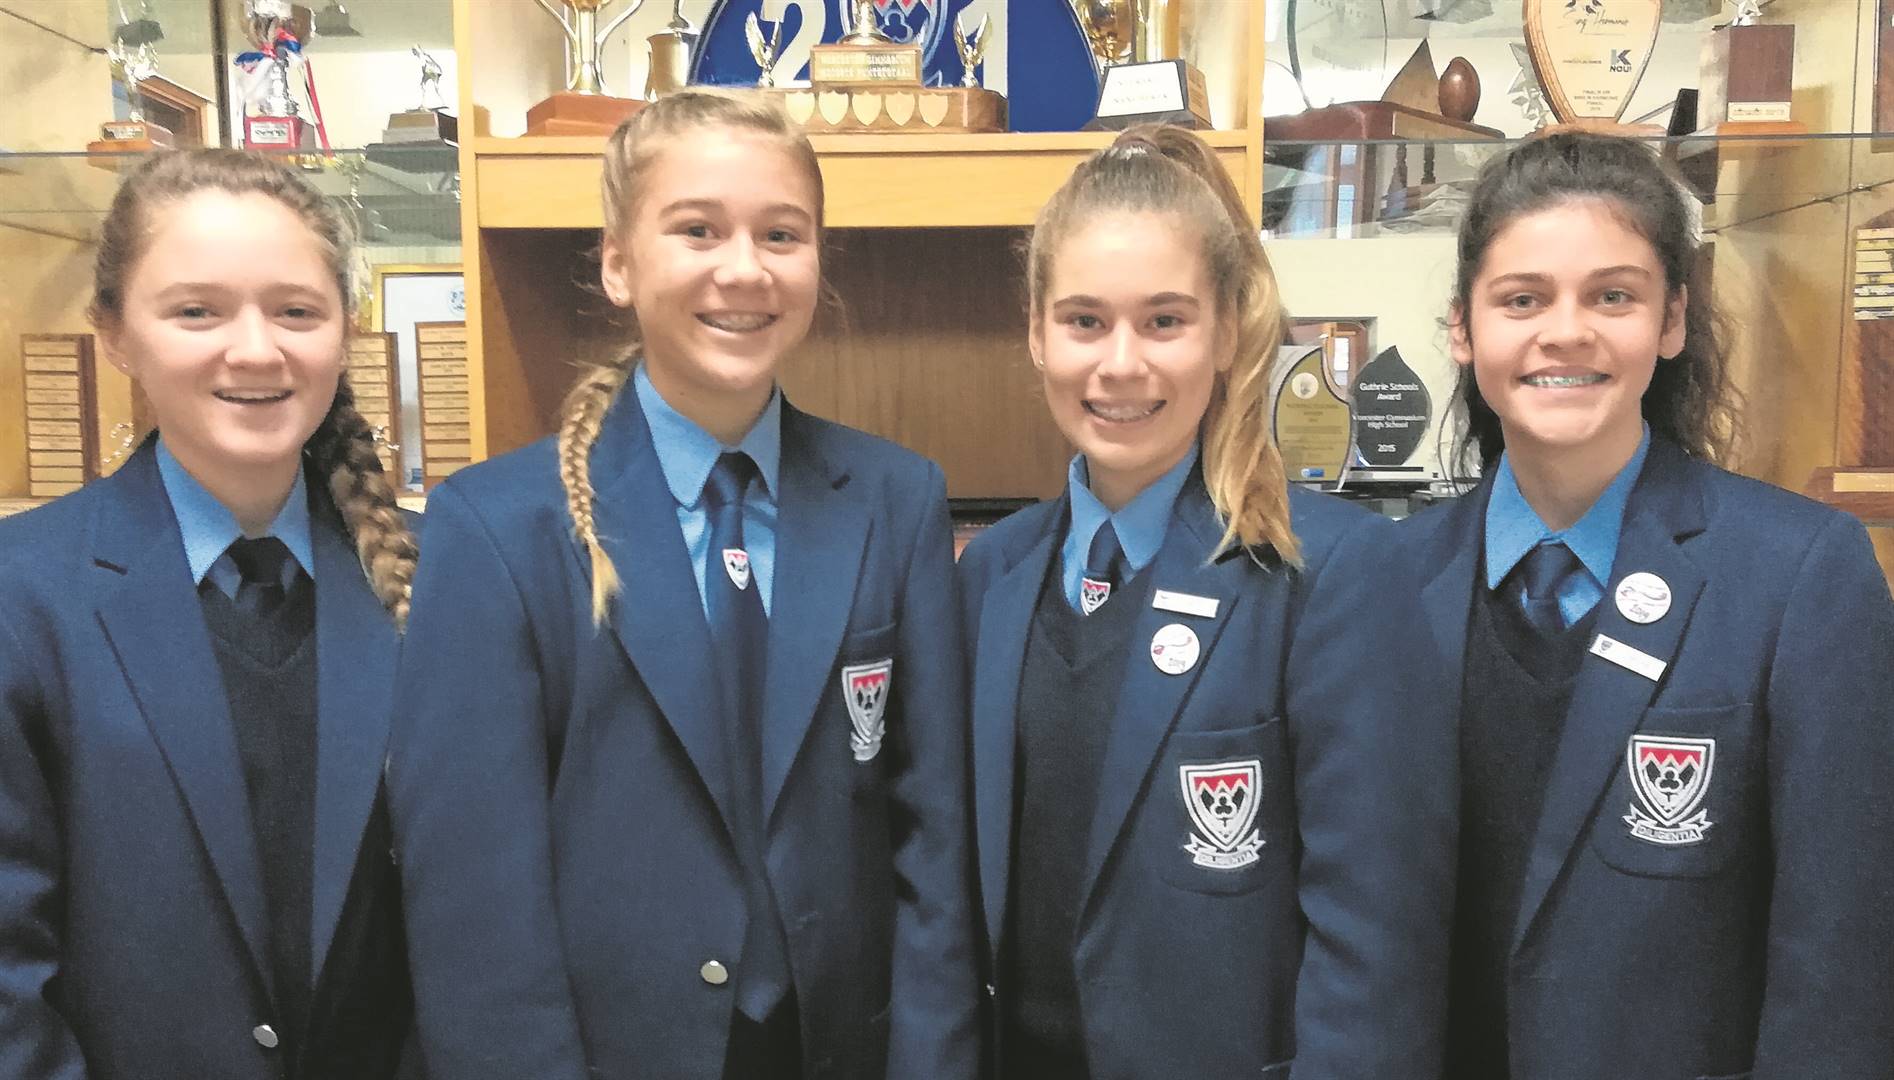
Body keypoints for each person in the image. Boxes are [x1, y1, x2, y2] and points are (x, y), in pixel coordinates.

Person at [387, 90, 979, 1080]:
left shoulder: (896, 499)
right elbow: (473, 899)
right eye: (697, 229)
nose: (743, 269)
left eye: (781, 234)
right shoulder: (495, 529)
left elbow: (934, 842)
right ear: (618, 262)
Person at [955, 124, 1455, 1080]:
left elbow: (1376, 950)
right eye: (1085, 320)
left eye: (1165, 321)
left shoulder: (1329, 574)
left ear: (1226, 332)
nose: (1121, 363)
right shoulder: (990, 575)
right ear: (1036, 333)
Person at [1398, 129, 1894, 1079]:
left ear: (1672, 320)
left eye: (1612, 296)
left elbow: (1842, 955)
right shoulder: (1383, 580)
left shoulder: (1800, 575)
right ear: (1464, 328)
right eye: (1522, 299)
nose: (1566, 331)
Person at [0, 148, 418, 1078]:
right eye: (197, 311)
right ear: (114, 333)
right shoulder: (22, 600)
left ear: (347, 329)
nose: (256, 350)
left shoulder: (448, 578)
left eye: (296, 311)